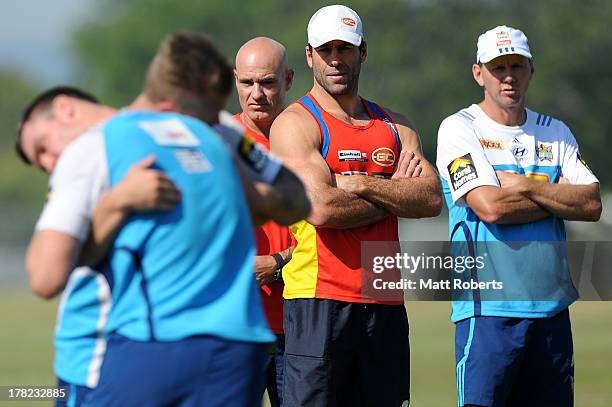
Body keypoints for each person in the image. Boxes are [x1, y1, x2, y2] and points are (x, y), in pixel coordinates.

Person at [17, 32, 309, 407]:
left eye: (42, 147)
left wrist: (236, 195)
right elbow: (296, 199)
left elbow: (44, 277)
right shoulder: (221, 131)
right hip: (236, 349)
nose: (46, 162)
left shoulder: (103, 144)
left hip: (151, 348)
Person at [270, 5, 442, 406]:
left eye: (344, 49)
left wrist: (361, 183)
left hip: (384, 301)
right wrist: (395, 194)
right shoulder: (296, 124)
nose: (335, 59)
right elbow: (322, 209)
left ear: (362, 52)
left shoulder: (397, 126)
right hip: (319, 300)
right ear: (309, 55)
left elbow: (431, 198)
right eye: (325, 49)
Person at [435, 25, 601, 407]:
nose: (508, 76)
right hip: (487, 312)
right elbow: (490, 207)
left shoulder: (555, 132)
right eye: (498, 67)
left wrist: (525, 186)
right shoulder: (460, 128)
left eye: (517, 66)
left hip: (552, 310)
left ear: (531, 70)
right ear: (479, 73)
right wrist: (557, 194)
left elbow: (591, 204)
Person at [234, 36, 295, 407]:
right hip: (236, 328)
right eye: (247, 83)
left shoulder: (310, 137)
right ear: (235, 80)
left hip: (301, 327)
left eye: (267, 82)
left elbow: (334, 227)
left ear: (288, 79)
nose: (257, 93)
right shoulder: (216, 142)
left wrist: (278, 263)